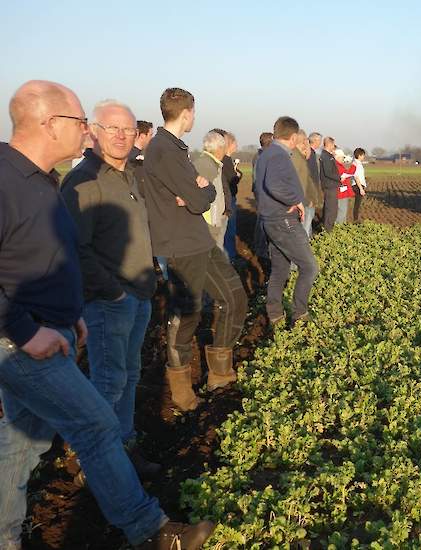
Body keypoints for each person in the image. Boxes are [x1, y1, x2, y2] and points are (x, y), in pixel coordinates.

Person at [0, 80, 213, 550]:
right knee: (96, 420)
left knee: (22, 441)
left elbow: (47, 257)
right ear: (48, 123)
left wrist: (67, 310)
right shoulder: (12, 180)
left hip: (50, 324)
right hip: (19, 340)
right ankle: (151, 531)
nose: (89, 133)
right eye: (82, 123)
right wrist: (23, 328)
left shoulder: (42, 179)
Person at [60, 99, 161, 481]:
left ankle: (124, 445)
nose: (121, 136)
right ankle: (96, 462)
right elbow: (75, 249)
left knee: (129, 374)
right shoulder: (84, 180)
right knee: (108, 380)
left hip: (139, 294)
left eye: (128, 130)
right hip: (109, 301)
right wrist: (112, 292)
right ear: (93, 132)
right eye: (111, 129)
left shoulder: (128, 175)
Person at [142, 88, 246, 411]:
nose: (194, 118)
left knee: (234, 297)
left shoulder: (176, 148)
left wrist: (197, 193)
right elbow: (202, 197)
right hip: (179, 244)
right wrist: (197, 192)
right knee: (186, 315)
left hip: (199, 238)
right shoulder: (164, 150)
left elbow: (200, 196)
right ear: (186, 113)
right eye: (193, 113)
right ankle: (181, 387)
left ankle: (219, 372)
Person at [252, 116, 319, 326]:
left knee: (280, 269)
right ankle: (300, 313)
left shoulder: (266, 153)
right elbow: (274, 186)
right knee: (309, 267)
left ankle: (275, 314)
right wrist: (295, 200)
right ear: (292, 137)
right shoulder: (279, 155)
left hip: (272, 219)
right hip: (284, 220)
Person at [191, 130, 230, 250]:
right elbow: (198, 195)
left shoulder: (212, 163)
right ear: (218, 148)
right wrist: (211, 221)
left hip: (212, 221)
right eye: (224, 147)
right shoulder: (205, 165)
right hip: (208, 223)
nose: (225, 151)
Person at [290, 130, 321, 237]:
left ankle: (308, 240)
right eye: (305, 142)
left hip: (305, 197)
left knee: (308, 221)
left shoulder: (305, 155)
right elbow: (306, 179)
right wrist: (310, 198)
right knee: (305, 222)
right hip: (303, 198)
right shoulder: (299, 157)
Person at [218, 131, 242, 261]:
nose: (237, 146)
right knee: (229, 229)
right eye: (235, 143)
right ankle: (230, 256)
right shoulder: (226, 161)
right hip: (229, 199)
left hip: (229, 198)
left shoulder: (226, 160)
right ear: (230, 144)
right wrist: (238, 176)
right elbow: (230, 180)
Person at [251, 131, 274, 262]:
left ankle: (260, 247)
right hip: (264, 192)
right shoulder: (265, 155)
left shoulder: (258, 155)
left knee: (261, 219)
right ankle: (261, 250)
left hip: (260, 191)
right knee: (263, 221)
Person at [318, 136, 341, 230]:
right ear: (330, 144)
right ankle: (327, 230)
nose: (334, 146)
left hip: (331, 186)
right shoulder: (326, 156)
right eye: (333, 144)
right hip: (330, 186)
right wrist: (339, 178)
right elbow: (328, 172)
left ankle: (328, 228)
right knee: (330, 209)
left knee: (332, 209)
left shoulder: (328, 155)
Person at [334, 148, 355, 225]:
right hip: (341, 193)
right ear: (338, 157)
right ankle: (340, 229)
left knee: (340, 211)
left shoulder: (337, 165)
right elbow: (345, 174)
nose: (343, 159)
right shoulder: (337, 166)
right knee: (342, 211)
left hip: (341, 192)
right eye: (342, 157)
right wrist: (353, 167)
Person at [350, 147, 368, 222]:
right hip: (358, 186)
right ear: (360, 155)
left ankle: (356, 219)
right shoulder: (357, 164)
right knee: (357, 205)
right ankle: (355, 220)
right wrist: (361, 188)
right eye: (363, 155)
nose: (364, 157)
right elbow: (356, 177)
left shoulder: (356, 163)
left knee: (358, 205)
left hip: (358, 185)